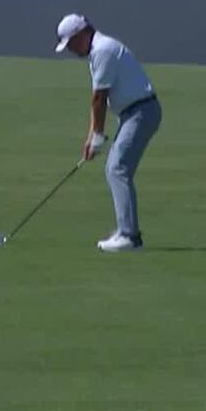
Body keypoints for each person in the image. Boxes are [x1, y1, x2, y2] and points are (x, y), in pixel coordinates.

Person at [55, 14, 160, 253]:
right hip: (134, 112)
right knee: (116, 167)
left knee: (117, 168)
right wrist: (92, 137)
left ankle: (129, 237)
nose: (71, 50)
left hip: (141, 111)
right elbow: (98, 99)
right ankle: (127, 231)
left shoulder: (103, 50)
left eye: (71, 44)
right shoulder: (98, 50)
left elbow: (99, 98)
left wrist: (98, 137)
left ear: (82, 34)